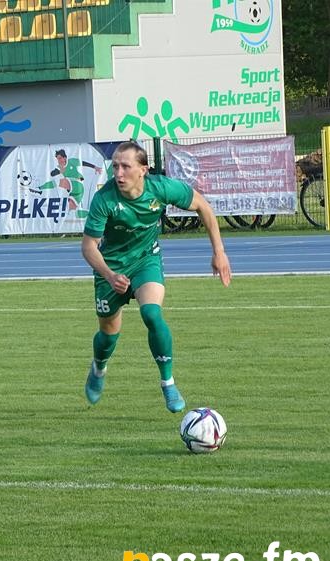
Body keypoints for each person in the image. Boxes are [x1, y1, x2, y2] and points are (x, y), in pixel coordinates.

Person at [81, 141, 231, 412]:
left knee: (151, 313)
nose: (119, 173)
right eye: (115, 166)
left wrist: (219, 252)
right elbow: (88, 247)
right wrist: (110, 275)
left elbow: (202, 206)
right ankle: (99, 368)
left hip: (146, 261)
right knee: (108, 334)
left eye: (126, 167)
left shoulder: (160, 188)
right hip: (110, 268)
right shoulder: (104, 199)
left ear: (143, 170)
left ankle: (168, 383)